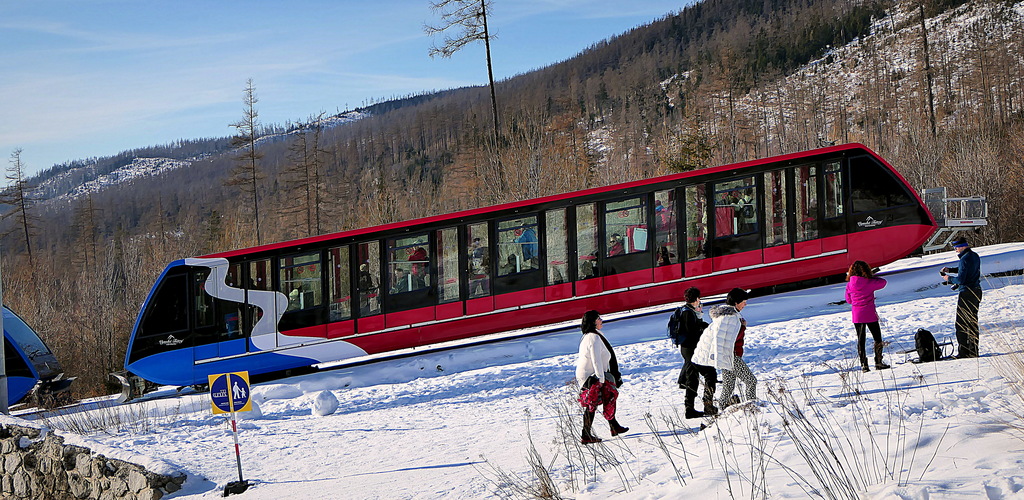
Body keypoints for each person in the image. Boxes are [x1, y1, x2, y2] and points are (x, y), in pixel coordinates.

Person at [692, 288, 756, 413]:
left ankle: (722, 410)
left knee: (728, 386)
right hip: (731, 356)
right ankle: (752, 407)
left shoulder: (729, 315)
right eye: (744, 301)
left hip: (727, 355)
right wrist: (743, 327)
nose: (745, 304)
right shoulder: (729, 317)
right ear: (736, 302)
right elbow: (727, 339)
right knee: (751, 381)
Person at [575, 310, 628, 444]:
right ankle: (586, 434)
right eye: (599, 318)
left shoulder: (594, 335)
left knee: (606, 397)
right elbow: (596, 359)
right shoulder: (593, 337)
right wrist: (601, 379)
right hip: (591, 375)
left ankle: (614, 426)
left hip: (595, 374)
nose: (601, 320)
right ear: (593, 322)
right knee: (592, 404)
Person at [671, 287, 715, 418]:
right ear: (696, 299)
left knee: (692, 378)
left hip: (687, 349)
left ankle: (689, 409)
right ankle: (708, 404)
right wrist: (703, 327)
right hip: (692, 350)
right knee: (710, 373)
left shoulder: (687, 310)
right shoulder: (688, 313)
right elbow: (692, 332)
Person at [845, 260, 890, 372]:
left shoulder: (849, 284)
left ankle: (864, 365)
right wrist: (871, 276)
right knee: (877, 337)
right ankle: (878, 362)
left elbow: (848, 300)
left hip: (857, 315)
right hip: (869, 313)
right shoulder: (869, 282)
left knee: (861, 340)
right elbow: (883, 282)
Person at [942, 237, 982, 358]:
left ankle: (964, 352)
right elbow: (966, 270)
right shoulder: (974, 255)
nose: (956, 250)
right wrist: (951, 270)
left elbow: (961, 279)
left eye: (957, 247)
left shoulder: (964, 259)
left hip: (966, 293)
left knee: (961, 323)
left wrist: (948, 278)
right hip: (977, 291)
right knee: (972, 322)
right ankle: (973, 351)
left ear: (963, 246)